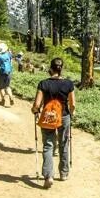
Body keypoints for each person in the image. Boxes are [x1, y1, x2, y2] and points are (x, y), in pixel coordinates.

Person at [31, 57, 75, 188]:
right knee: (63, 144)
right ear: (61, 69)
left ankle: (48, 176)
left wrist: (34, 110)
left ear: (51, 68)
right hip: (64, 116)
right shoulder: (68, 84)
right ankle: (64, 173)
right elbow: (72, 104)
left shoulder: (43, 83)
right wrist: (72, 113)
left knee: (48, 145)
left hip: (48, 117)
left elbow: (37, 104)